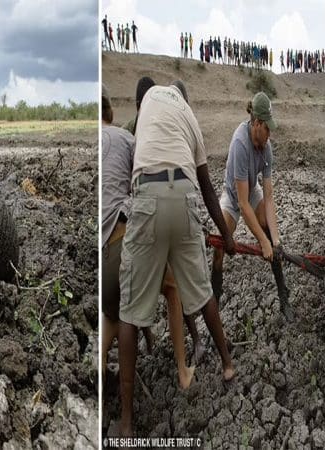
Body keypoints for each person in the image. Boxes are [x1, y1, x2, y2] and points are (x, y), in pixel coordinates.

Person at [117, 80, 236, 436]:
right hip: (184, 197)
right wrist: (226, 235)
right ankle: (228, 365)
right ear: (185, 99)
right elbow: (208, 187)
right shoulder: (190, 116)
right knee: (201, 292)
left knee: (130, 311)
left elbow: (138, 160)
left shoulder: (149, 99)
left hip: (148, 195)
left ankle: (125, 423)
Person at [101, 84, 198, 392]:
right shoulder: (130, 137)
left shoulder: (114, 136)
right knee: (171, 287)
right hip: (128, 230)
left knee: (113, 314)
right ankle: (182, 370)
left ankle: (104, 371)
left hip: (104, 245)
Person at [211, 92, 294, 321]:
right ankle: (214, 307)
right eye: (267, 128)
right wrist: (263, 243)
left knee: (268, 228)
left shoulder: (266, 148)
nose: (269, 133)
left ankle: (283, 294)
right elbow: (243, 203)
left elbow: (267, 196)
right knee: (219, 248)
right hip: (233, 195)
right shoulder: (240, 144)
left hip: (252, 188)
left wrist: (274, 240)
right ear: (256, 123)